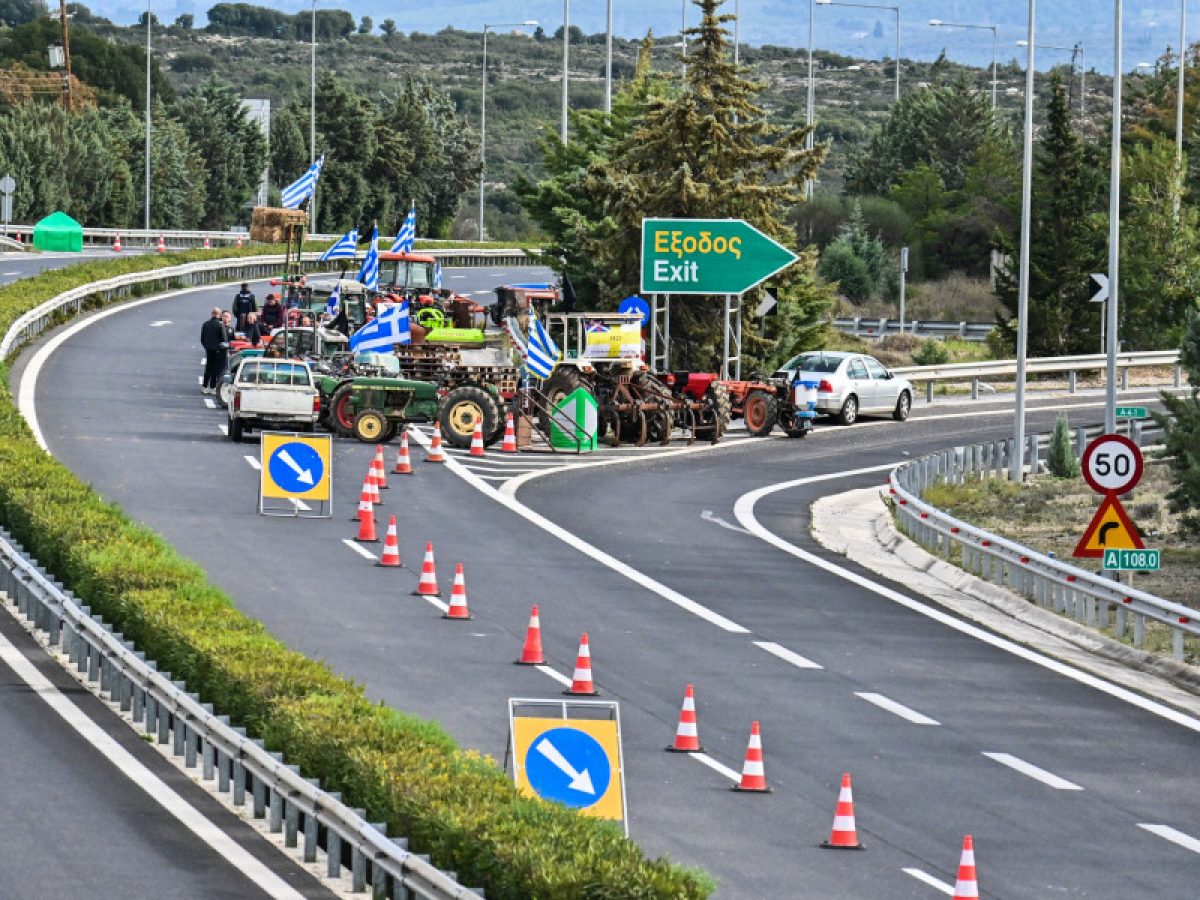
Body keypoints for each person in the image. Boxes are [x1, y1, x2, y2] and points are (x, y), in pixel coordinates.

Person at [200, 307, 228, 394]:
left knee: (208, 367)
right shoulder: (220, 325)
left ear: (212, 314)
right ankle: (212, 387)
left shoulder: (205, 324)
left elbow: (202, 338)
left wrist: (207, 346)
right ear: (219, 315)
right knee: (215, 369)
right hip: (218, 350)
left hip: (209, 349)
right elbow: (224, 338)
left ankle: (204, 386)